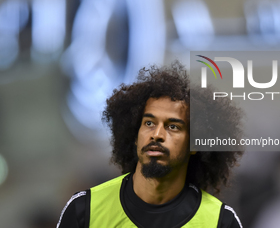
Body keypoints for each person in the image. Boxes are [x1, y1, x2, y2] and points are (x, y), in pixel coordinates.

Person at [57, 61, 244, 228]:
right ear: (135, 135)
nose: (157, 135)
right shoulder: (86, 211)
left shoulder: (220, 221)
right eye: (149, 123)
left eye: (173, 126)